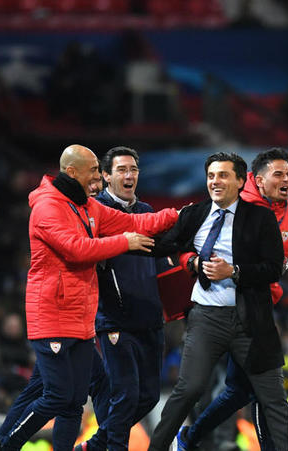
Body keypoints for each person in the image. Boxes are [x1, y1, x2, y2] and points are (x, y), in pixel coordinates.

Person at [0, 144, 178, 451]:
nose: (98, 179)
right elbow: (77, 249)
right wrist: (124, 243)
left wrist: (179, 214)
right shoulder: (48, 208)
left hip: (81, 317)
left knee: (72, 401)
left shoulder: (87, 206)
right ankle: (3, 445)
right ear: (72, 172)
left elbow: (134, 223)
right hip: (54, 314)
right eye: (94, 172)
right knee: (58, 396)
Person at [148, 152, 288, 451]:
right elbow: (165, 245)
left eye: (223, 175)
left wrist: (233, 272)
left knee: (273, 398)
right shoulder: (194, 214)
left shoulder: (260, 218)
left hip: (251, 320)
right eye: (211, 176)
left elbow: (274, 269)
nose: (215, 181)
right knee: (189, 390)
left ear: (240, 181)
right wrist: (189, 260)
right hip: (206, 318)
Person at [74, 146, 172, 451]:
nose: (129, 175)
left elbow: (159, 262)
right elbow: (86, 255)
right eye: (121, 170)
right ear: (106, 175)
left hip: (150, 316)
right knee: (125, 394)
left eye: (133, 169)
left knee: (149, 397)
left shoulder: (146, 211)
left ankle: (95, 445)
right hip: (114, 317)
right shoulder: (94, 211)